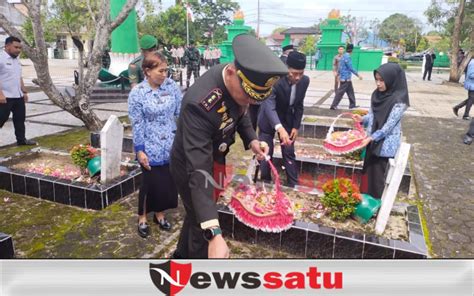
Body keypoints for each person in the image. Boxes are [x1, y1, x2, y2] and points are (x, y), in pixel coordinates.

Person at [169, 34, 288, 259]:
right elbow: (199, 171)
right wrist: (214, 234)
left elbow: (240, 111)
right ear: (232, 73)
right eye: (248, 97)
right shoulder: (199, 104)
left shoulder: (239, 83)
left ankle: (180, 255)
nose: (250, 103)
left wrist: (252, 139)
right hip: (191, 167)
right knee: (201, 223)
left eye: (255, 100)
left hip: (215, 159)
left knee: (197, 215)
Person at [128, 51, 183, 238]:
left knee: (166, 183)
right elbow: (137, 123)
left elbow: (180, 112)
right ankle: (142, 217)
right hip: (150, 145)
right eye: (160, 71)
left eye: (166, 70)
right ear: (147, 71)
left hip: (170, 144)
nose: (164, 74)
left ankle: (160, 214)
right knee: (149, 183)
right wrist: (139, 150)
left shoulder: (172, 87)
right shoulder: (138, 93)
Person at [353, 63, 409, 199]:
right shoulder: (377, 95)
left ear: (392, 80)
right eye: (376, 79)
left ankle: (375, 205)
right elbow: (372, 116)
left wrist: (372, 137)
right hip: (372, 142)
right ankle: (364, 202)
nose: (378, 83)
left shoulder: (399, 101)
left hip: (384, 146)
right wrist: (362, 119)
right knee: (367, 175)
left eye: (382, 80)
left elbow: (388, 126)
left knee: (378, 178)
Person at [257, 51, 309, 187]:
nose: (298, 77)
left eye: (301, 73)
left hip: (287, 118)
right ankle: (265, 182)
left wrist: (296, 126)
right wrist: (279, 128)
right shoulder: (275, 80)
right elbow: (269, 106)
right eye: (294, 73)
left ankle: (293, 184)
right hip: (269, 117)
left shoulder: (304, 81)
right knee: (266, 151)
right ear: (287, 69)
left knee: (289, 151)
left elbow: (299, 105)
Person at [0, 36, 37, 146]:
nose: (18, 50)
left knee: (20, 119)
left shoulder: (16, 59)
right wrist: (0, 94)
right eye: (16, 47)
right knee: (1, 119)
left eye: (20, 48)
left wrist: (24, 91)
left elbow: (18, 76)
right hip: (5, 96)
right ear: (7, 46)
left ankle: (21, 140)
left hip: (18, 95)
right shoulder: (1, 59)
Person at [330, 44, 363, 110]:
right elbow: (350, 67)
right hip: (345, 78)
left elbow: (340, 67)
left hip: (346, 78)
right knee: (340, 92)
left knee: (350, 91)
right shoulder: (347, 57)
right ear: (352, 50)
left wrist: (339, 74)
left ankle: (352, 105)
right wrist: (358, 75)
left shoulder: (343, 56)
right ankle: (333, 105)